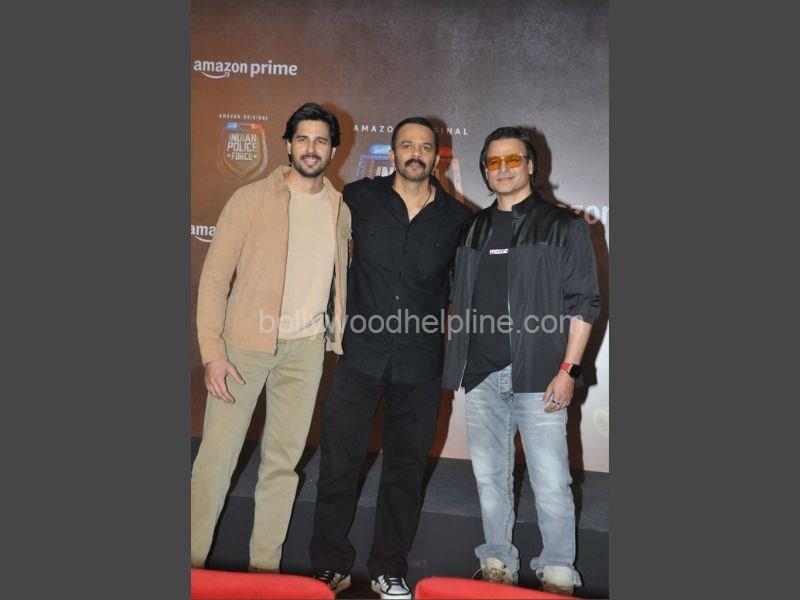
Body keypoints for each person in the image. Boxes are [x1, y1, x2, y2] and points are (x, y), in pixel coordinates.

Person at [309, 117, 473, 599]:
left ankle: (388, 569)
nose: (415, 153)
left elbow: (464, 291)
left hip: (420, 364)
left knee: (405, 470)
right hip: (360, 355)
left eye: (424, 147)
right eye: (407, 145)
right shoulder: (358, 198)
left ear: (437, 156)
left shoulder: (458, 219)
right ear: (394, 152)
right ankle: (329, 565)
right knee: (339, 463)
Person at [190, 103, 351, 573]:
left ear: (333, 150)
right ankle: (189, 566)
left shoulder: (340, 208)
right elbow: (214, 280)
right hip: (242, 347)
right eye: (303, 139)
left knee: (282, 466)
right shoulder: (250, 199)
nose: (311, 148)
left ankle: (265, 571)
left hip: (305, 350)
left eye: (321, 140)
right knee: (215, 463)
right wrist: (213, 353)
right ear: (287, 145)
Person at [442, 126, 601, 596]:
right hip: (482, 376)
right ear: (485, 171)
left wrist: (568, 371)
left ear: (531, 165)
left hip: (540, 376)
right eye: (493, 161)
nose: (504, 168)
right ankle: (497, 562)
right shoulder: (471, 228)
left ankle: (558, 573)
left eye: (513, 159)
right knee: (490, 478)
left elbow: (584, 304)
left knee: (551, 481)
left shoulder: (563, 226)